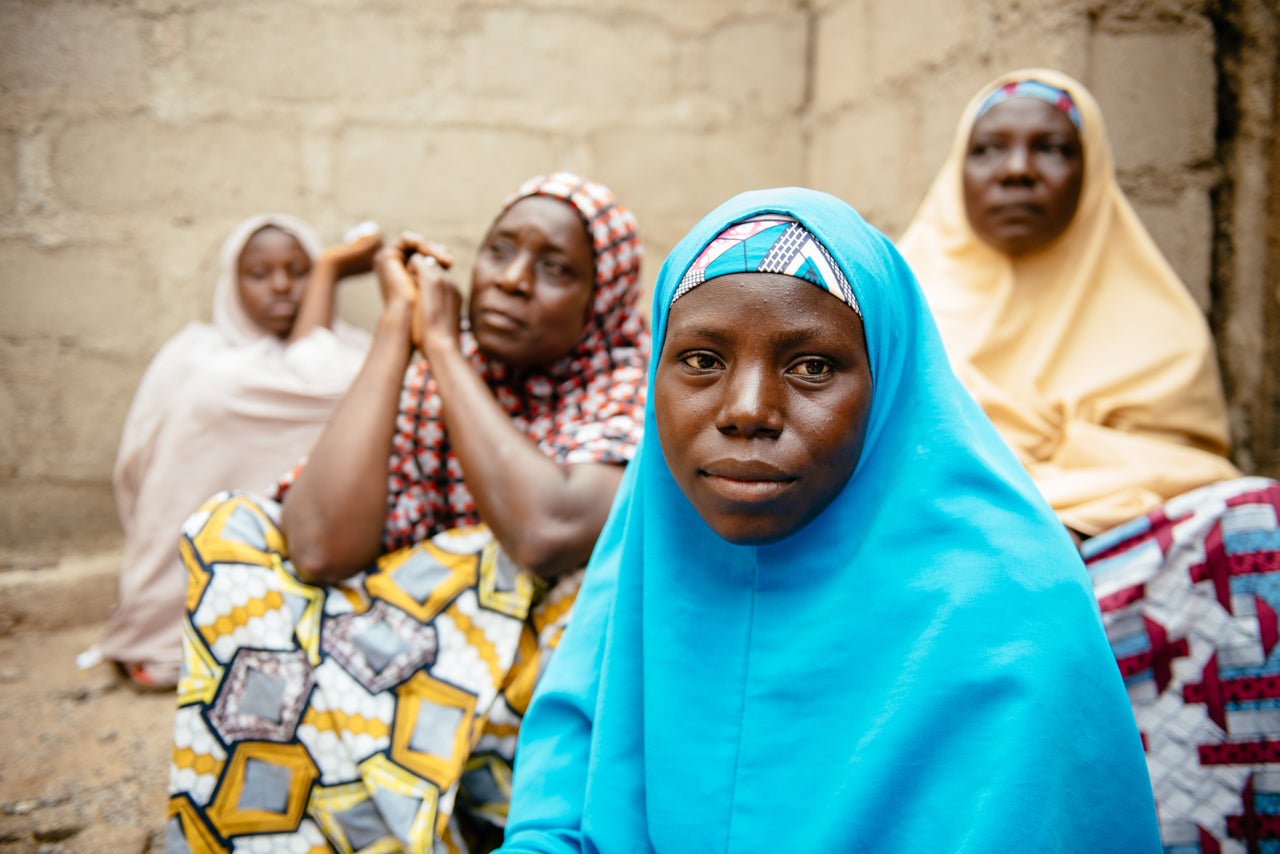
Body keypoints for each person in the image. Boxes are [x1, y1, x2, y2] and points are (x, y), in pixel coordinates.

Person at [499, 187, 1160, 852]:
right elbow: (560, 814)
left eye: (812, 366)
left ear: (890, 386)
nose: (747, 410)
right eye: (702, 360)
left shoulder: (1011, 615)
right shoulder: (646, 558)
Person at [168, 174, 647, 853]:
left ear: (600, 300)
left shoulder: (629, 382)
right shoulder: (433, 382)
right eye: (499, 250)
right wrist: (398, 332)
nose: (511, 280)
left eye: (555, 269)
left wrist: (447, 350)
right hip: (395, 683)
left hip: (525, 722)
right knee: (229, 528)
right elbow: (316, 547)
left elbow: (546, 534)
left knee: (593, 568)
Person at [898, 69, 1280, 849]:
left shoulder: (1148, 316)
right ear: (956, 170)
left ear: (1091, 171)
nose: (1016, 168)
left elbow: (1185, 466)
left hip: (1108, 569)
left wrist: (1062, 512)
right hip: (944, 569)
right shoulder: (901, 306)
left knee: (1256, 523)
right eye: (989, 149)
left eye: (1051, 149)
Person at [86, 214, 378, 690]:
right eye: (259, 274)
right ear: (231, 281)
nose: (282, 286)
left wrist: (330, 267)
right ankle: (163, 632)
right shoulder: (196, 356)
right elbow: (143, 470)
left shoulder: (351, 354)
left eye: (301, 271)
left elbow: (317, 372)